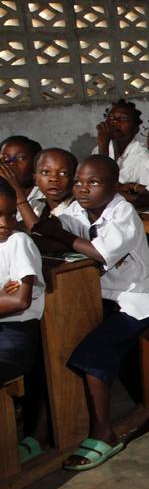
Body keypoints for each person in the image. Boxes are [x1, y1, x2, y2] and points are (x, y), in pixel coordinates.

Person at [33, 155, 149, 471]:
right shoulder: (78, 210)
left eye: (93, 183)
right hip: (102, 296)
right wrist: (56, 235)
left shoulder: (124, 214)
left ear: (113, 186)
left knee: (94, 353)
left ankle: (104, 432)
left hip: (138, 298)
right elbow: (45, 232)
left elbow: (98, 251)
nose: (82, 189)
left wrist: (63, 237)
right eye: (78, 182)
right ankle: (49, 429)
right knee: (57, 340)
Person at [0, 177, 47, 463]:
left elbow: (19, 301)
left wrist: (6, 300)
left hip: (16, 333)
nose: (5, 222)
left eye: (9, 214)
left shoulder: (18, 242)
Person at [1, 148, 75, 232]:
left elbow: (40, 233)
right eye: (45, 172)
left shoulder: (76, 209)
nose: (54, 178)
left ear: (74, 179)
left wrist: (17, 191)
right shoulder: (37, 204)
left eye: (63, 173)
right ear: (35, 179)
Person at [92, 99, 149, 176]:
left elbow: (104, 181)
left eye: (123, 118)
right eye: (111, 118)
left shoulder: (144, 157)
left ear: (136, 129)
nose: (115, 121)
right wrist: (103, 146)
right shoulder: (98, 149)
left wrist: (103, 150)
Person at [0, 136, 43, 220]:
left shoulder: (45, 196)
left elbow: (36, 229)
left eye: (21, 158)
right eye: (4, 158)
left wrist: (16, 188)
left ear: (36, 164)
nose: (11, 163)